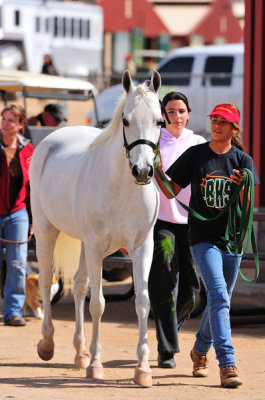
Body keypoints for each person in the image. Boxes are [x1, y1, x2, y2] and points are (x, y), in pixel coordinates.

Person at [155, 103, 259, 387]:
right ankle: (227, 363)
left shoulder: (243, 162)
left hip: (233, 240)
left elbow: (247, 208)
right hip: (202, 238)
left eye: (223, 122)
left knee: (219, 299)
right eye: (214, 120)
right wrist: (154, 169)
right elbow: (170, 191)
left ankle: (199, 350)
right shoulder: (196, 155)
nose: (216, 125)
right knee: (219, 296)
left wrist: (241, 189)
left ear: (234, 128)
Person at [148, 92, 206, 369]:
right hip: (160, 222)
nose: (177, 116)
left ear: (188, 113)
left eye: (181, 111)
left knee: (190, 292)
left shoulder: (198, 143)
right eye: (171, 111)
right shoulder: (153, 142)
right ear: (163, 115)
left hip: (192, 223)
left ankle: (167, 323)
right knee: (165, 284)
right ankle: (166, 349)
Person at [0, 104, 34, 326]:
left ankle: (13, 311)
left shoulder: (29, 150)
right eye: (3, 119)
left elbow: (33, 187)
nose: (5, 124)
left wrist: (34, 218)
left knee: (17, 263)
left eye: (11, 120)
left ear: (21, 125)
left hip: (18, 212)